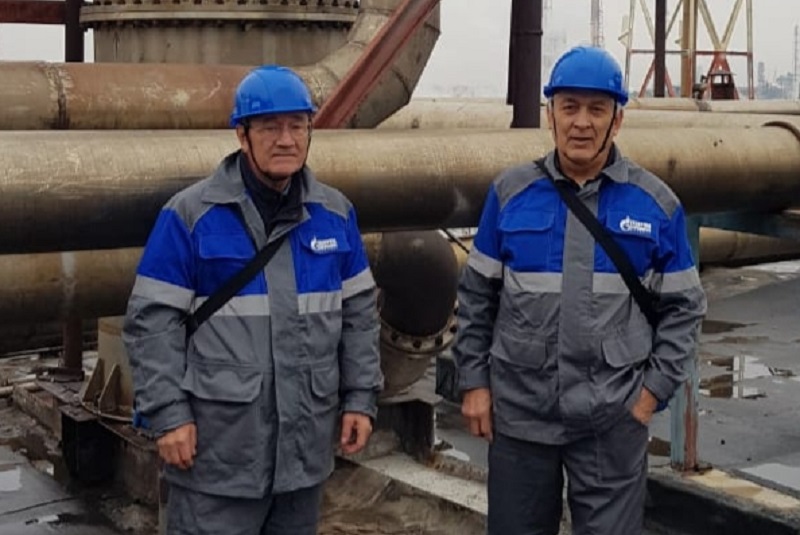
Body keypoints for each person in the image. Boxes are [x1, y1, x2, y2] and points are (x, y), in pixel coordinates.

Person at [453, 46, 707, 535]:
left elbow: (685, 309)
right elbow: (477, 298)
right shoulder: (510, 194)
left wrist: (650, 397)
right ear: (550, 114)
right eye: (569, 107)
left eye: (597, 109)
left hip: (612, 421)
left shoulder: (655, 205)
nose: (582, 123)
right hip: (521, 417)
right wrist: (475, 384)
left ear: (618, 120)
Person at [123, 65, 383, 535]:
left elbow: (359, 318)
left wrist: (361, 398)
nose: (286, 140)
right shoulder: (191, 216)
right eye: (269, 127)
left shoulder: (334, 215)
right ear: (242, 136)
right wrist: (168, 415)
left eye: (297, 126)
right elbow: (152, 323)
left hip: (303, 456)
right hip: (218, 458)